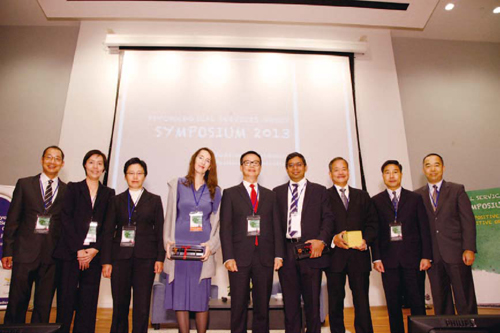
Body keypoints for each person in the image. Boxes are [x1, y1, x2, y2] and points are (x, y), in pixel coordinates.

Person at [220, 151, 284, 333]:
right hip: (239, 259)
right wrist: (228, 257)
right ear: (241, 167)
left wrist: (278, 254)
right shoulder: (230, 194)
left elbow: (276, 227)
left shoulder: (270, 195)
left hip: (265, 257)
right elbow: (225, 228)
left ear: (260, 168)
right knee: (238, 306)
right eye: (247, 163)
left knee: (262, 306)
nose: (251, 166)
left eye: (255, 163)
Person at [1, 146, 67, 324]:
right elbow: (13, 219)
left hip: (51, 257)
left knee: (43, 305)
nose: (52, 162)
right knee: (17, 301)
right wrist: (7, 250)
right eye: (49, 157)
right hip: (24, 252)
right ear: (42, 159)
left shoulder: (67, 191)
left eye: (56, 159)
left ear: (62, 163)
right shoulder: (24, 184)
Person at [52, 150, 115, 333]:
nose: (95, 167)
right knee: (65, 300)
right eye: (91, 162)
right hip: (71, 254)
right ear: (85, 165)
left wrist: (95, 249)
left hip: (94, 256)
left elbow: (108, 226)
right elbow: (66, 220)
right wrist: (78, 249)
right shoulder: (73, 188)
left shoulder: (109, 193)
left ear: (104, 168)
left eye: (99, 163)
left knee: (88, 303)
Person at [101, 157, 165, 333]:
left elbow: (160, 230)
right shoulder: (116, 200)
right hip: (120, 258)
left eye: (139, 173)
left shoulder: (154, 200)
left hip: (146, 259)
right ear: (125, 176)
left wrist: (160, 258)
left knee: (142, 306)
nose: (135, 177)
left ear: (145, 176)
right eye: (131, 173)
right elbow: (107, 232)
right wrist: (106, 261)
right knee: (120, 305)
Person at [273, 152, 334, 333]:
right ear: (286, 169)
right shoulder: (277, 192)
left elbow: (329, 219)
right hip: (287, 251)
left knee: (312, 304)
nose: (295, 168)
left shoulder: (319, 190)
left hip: (311, 251)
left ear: (305, 167)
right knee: (290, 305)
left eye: (299, 164)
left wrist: (322, 241)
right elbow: (274, 224)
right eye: (291, 165)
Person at [163, 147, 222, 333]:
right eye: (200, 157)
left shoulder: (215, 190)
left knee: (200, 298)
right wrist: (168, 241)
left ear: (210, 167)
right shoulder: (178, 184)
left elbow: (219, 224)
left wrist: (211, 247)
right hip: (179, 247)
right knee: (180, 297)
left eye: (207, 160)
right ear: (194, 160)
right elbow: (170, 215)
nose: (203, 162)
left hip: (202, 249)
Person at [371, 160, 432, 333]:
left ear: (401, 174)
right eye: (387, 172)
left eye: (395, 172)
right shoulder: (376, 201)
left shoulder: (415, 198)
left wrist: (426, 256)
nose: (391, 176)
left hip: (413, 260)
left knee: (417, 303)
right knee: (393, 305)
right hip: (388, 262)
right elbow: (375, 233)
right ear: (383, 176)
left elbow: (424, 229)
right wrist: (376, 258)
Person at [415, 153, 478, 315]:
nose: (432, 169)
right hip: (433, 256)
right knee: (440, 300)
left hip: (457, 253)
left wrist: (469, 248)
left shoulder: (457, 190)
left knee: (464, 298)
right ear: (424, 170)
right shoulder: (417, 196)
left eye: (436, 165)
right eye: (428, 165)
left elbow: (468, 221)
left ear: (443, 167)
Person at [325, 157, 378, 333]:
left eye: (344, 169)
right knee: (335, 302)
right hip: (334, 258)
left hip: (359, 256)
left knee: (362, 301)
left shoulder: (362, 195)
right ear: (330, 174)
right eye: (336, 169)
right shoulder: (324, 196)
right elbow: (320, 225)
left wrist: (366, 240)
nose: (341, 172)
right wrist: (333, 239)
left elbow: (372, 223)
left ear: (348, 172)